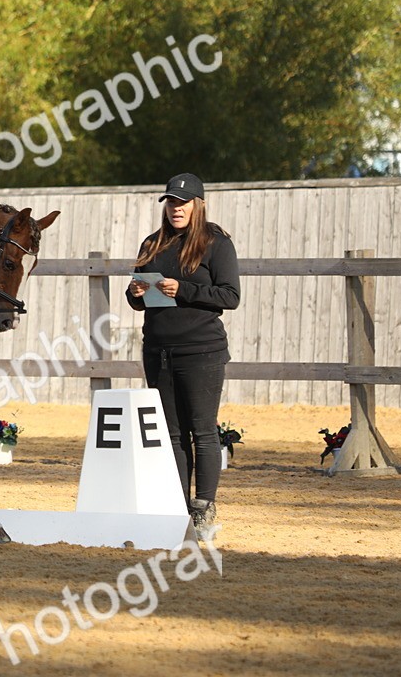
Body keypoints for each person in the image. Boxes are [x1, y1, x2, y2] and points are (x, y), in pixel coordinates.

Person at [126, 173, 240, 538]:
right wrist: (136, 292)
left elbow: (230, 296)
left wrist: (185, 290)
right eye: (171, 202)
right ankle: (179, 510)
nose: (176, 208)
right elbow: (136, 301)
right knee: (171, 435)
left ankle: (204, 506)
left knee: (203, 432)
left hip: (202, 350)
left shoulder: (216, 244)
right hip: (157, 350)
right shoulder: (152, 243)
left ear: (197, 205)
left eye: (183, 202)